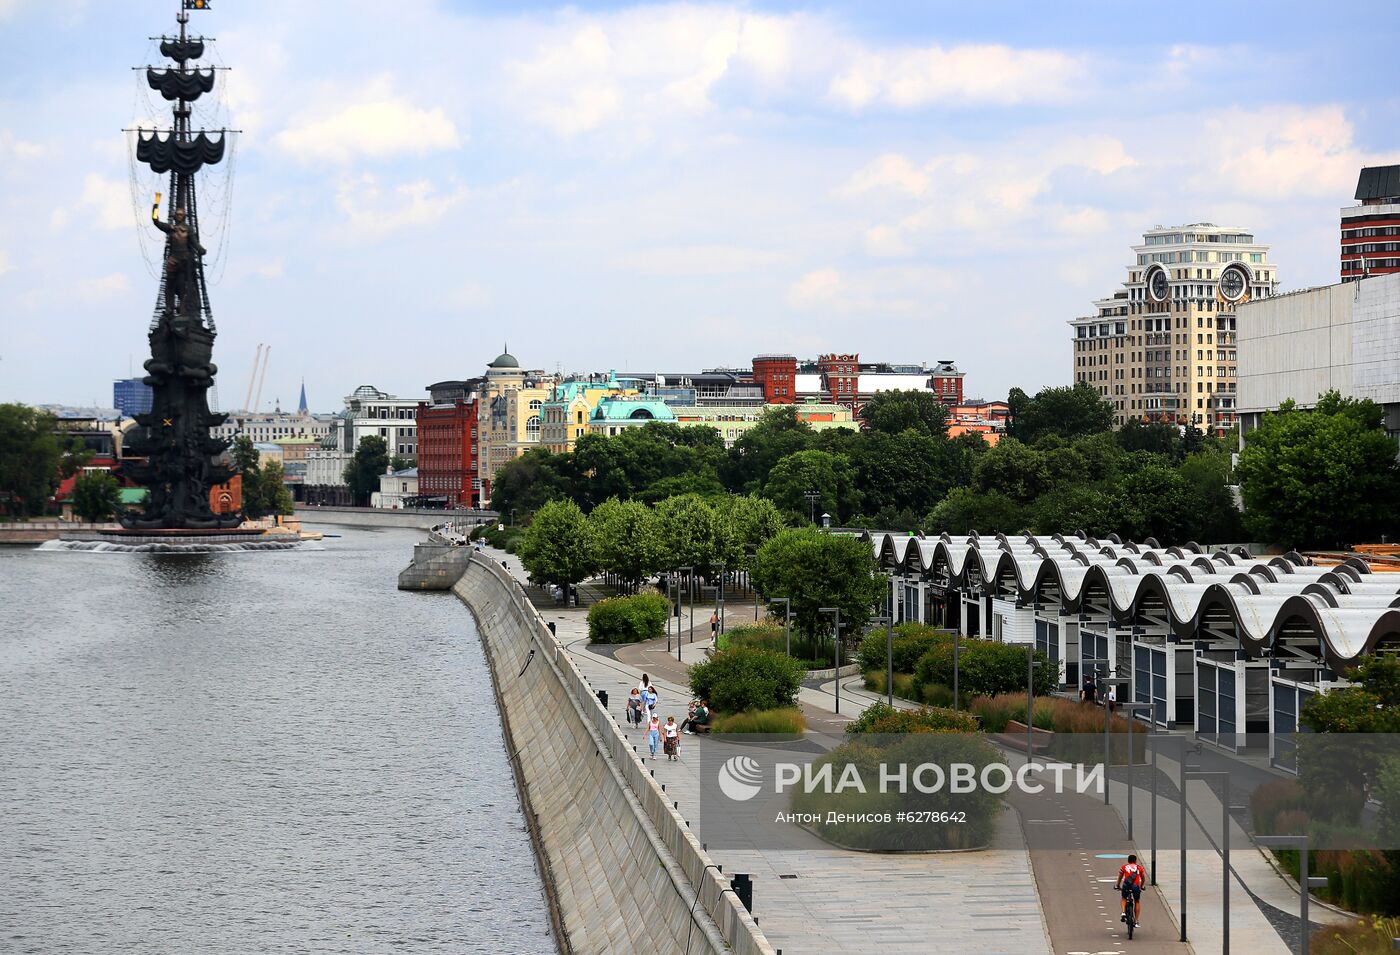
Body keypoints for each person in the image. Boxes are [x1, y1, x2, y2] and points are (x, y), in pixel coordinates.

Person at [1116, 853, 1145, 927]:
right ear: (1135, 861)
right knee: (1137, 901)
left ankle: (1123, 912)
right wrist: (1142, 886)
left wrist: (1118, 885)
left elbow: (1120, 877)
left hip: (1127, 885)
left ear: (1128, 861)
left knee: (1124, 898)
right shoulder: (1139, 868)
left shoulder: (1124, 867)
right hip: (1136, 886)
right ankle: (1136, 921)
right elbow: (1143, 878)